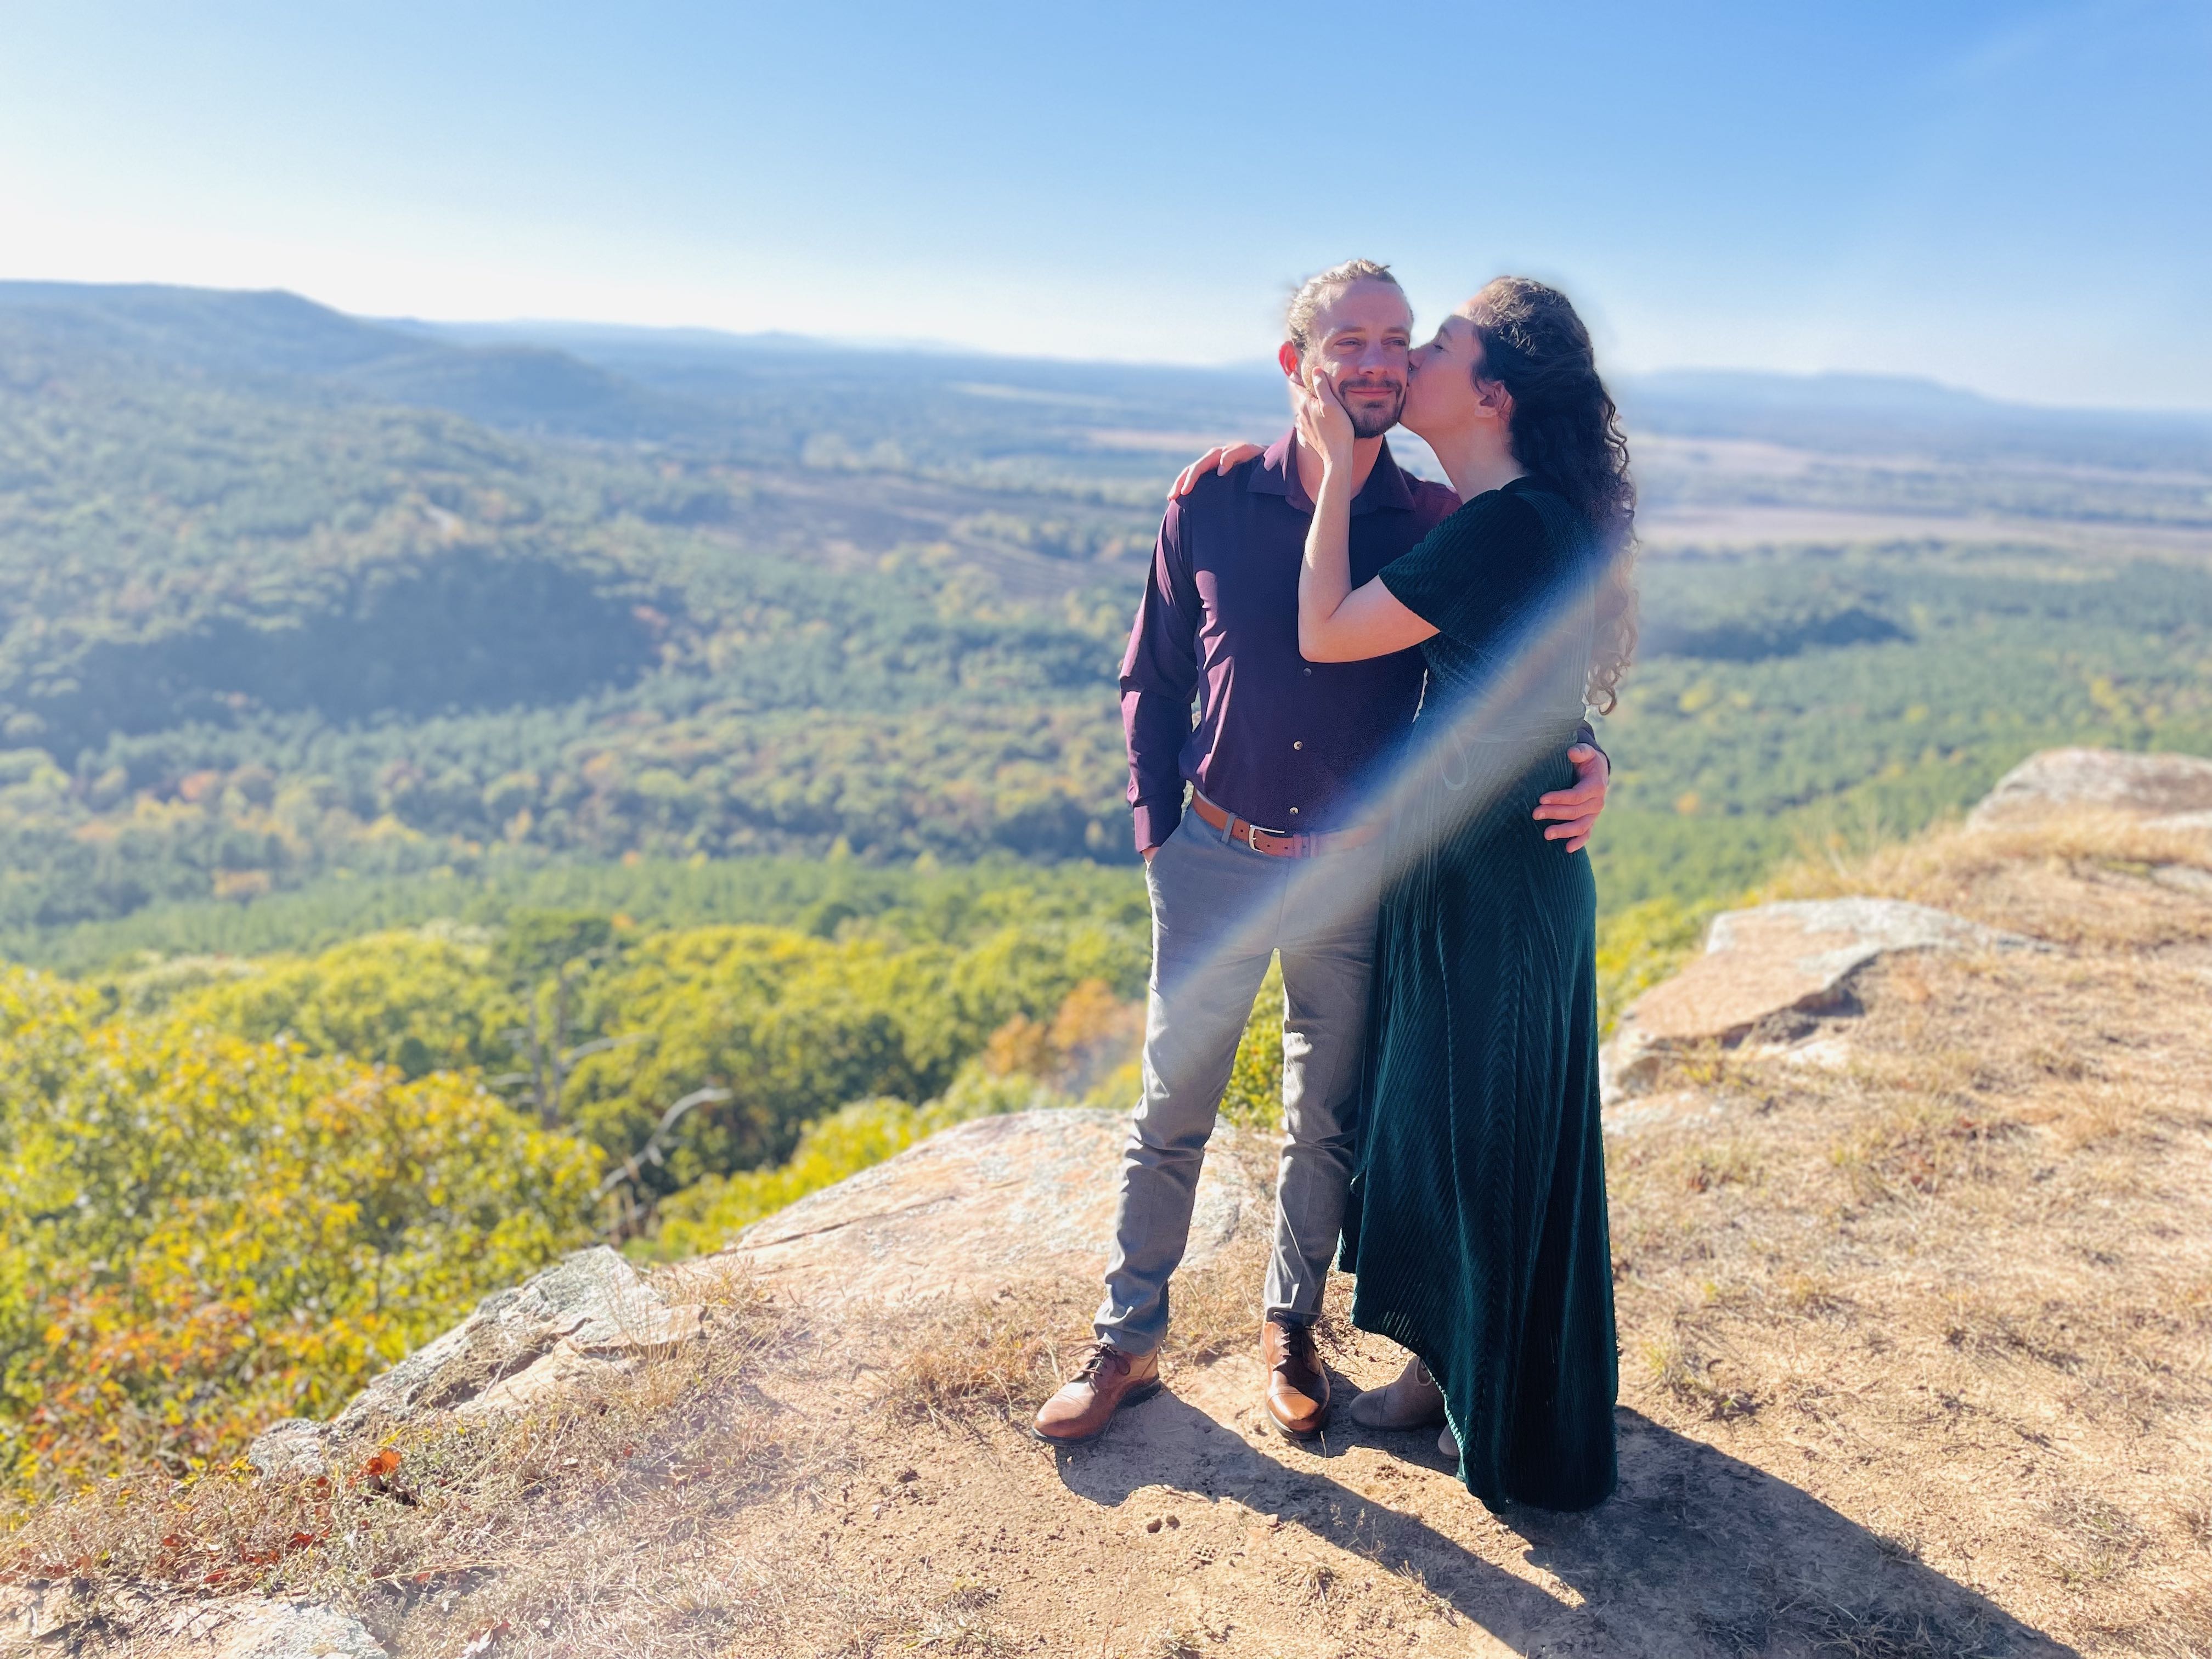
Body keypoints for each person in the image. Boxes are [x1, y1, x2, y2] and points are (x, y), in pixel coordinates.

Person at [1030, 261, 1611, 1448]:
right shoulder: (1211, 498)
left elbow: (1512, 668)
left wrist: (1588, 756)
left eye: (1401, 339)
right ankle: (1126, 1339)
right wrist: (1160, 837)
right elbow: (1153, 677)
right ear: (1299, 365)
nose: (1381, 360)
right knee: (1169, 1111)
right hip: (1215, 854)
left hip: (1353, 868)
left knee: (1325, 1115)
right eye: (1351, 340)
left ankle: (1289, 1331)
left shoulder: (1432, 518)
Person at [1293, 276, 1633, 1512]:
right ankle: (1453, 1373)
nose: (1415, 355)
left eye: (1439, 344)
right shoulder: (1523, 513)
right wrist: (1593, 753)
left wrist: (1333, 472)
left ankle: (1503, 1412)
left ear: (1490, 395)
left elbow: (1326, 633)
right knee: (1455, 1130)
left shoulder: (1506, 524)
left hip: (1495, 882)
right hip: (1491, 869)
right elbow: (1540, 689)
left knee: (1479, 1139)